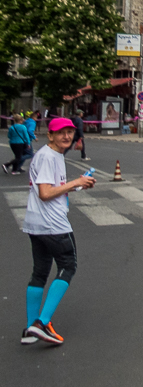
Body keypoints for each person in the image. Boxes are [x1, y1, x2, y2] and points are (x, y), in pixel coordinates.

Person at [21, 117, 96, 345]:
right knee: (68, 265)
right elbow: (45, 193)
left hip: (37, 224)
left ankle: (32, 329)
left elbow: (52, 189)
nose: (66, 136)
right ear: (50, 135)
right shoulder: (47, 156)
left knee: (40, 273)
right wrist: (75, 183)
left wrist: (77, 185)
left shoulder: (53, 155)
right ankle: (41, 322)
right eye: (61, 132)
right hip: (53, 225)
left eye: (70, 132)